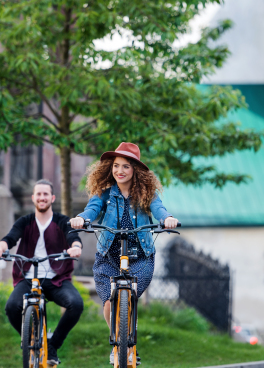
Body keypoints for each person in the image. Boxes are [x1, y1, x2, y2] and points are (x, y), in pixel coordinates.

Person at [69, 142, 178, 364]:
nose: (120, 171)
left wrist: (166, 219)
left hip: (141, 256)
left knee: (129, 295)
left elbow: (159, 209)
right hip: (109, 256)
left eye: (126, 166)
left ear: (135, 170)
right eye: (116, 166)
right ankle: (120, 341)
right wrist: (83, 218)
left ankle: (128, 334)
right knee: (110, 302)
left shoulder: (148, 193)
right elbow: (92, 208)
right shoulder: (104, 193)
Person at [0, 179, 83, 367]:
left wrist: (75, 247)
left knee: (75, 304)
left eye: (45, 194)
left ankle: (53, 345)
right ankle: (31, 338)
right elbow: (9, 238)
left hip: (56, 279)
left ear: (52, 198)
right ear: (33, 198)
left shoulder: (62, 221)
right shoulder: (25, 222)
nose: (42, 198)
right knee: (11, 307)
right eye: (38, 194)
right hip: (28, 278)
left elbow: (73, 236)